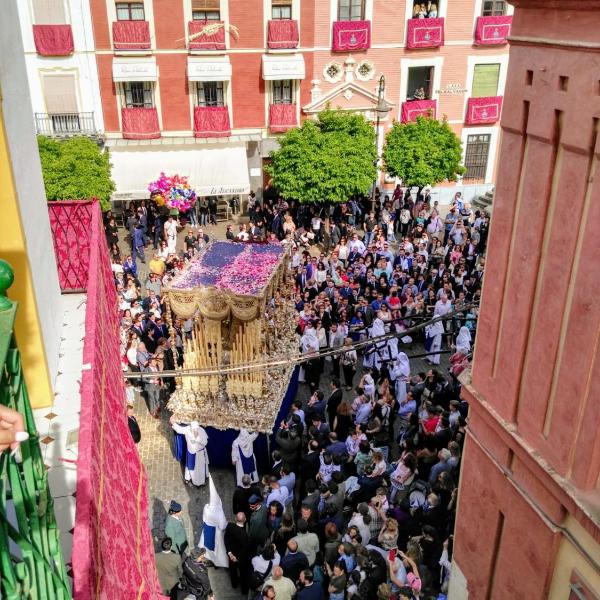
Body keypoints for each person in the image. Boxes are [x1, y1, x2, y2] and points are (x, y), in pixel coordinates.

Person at [170, 418, 209, 487]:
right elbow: (180, 430)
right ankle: (188, 479)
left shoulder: (202, 431)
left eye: (195, 429)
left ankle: (200, 482)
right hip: (191, 453)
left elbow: (205, 442)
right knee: (190, 467)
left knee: (199, 469)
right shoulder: (188, 429)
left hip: (199, 455)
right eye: (193, 429)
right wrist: (173, 423)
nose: (194, 431)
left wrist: (197, 438)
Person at [199, 476, 228, 567]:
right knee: (218, 549)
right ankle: (216, 562)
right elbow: (223, 526)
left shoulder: (206, 507)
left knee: (208, 547)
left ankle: (208, 557)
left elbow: (203, 518)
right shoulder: (219, 513)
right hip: (216, 533)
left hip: (207, 530)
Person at [224, 512, 252, 595]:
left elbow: (226, 539)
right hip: (241, 558)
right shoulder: (245, 535)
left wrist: (229, 553)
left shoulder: (229, 526)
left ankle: (234, 584)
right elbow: (245, 550)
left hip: (231, 555)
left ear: (235, 519)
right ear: (245, 520)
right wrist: (238, 558)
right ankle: (244, 591)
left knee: (233, 571)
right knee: (243, 574)